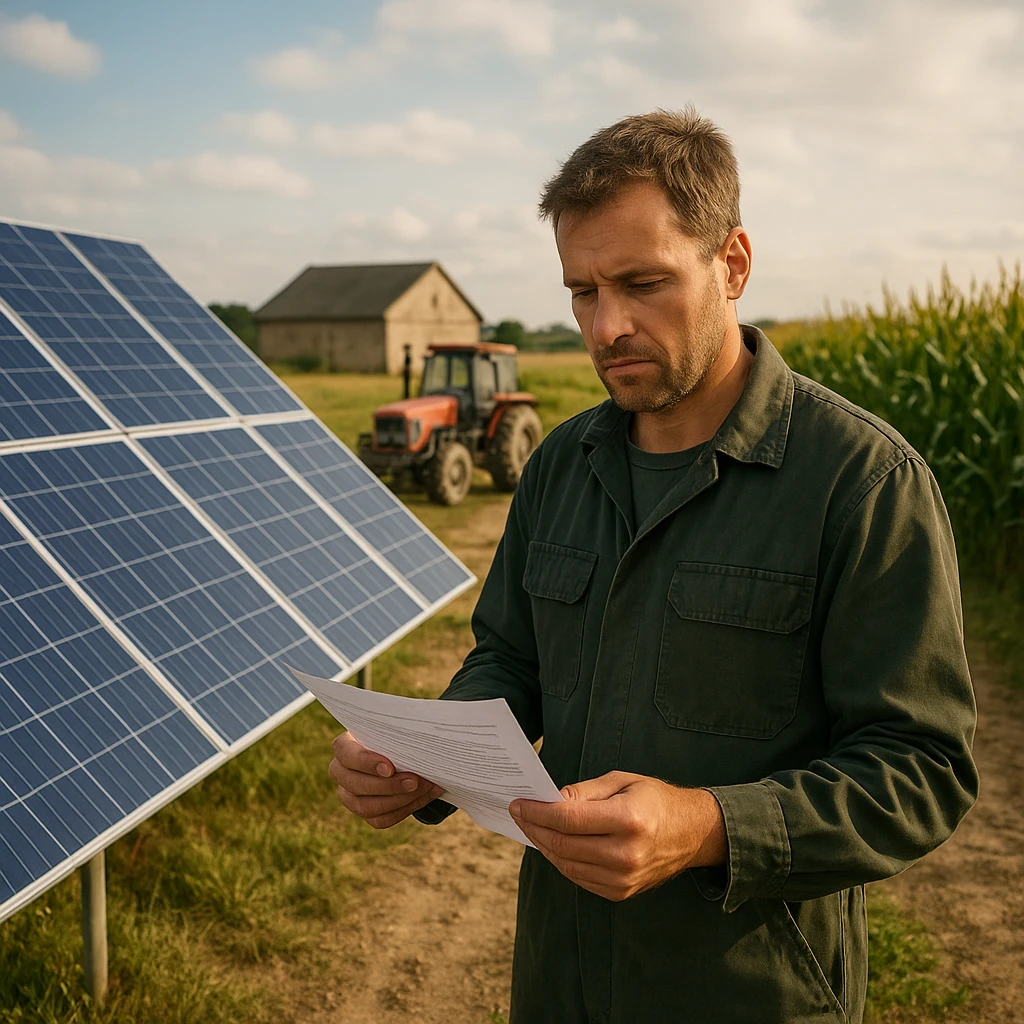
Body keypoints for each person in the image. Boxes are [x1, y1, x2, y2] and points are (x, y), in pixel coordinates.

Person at [329, 108, 979, 1023]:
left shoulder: (862, 482)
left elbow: (920, 769)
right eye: (582, 293)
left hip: (750, 992)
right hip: (560, 979)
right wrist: (426, 757)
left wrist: (708, 827)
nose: (607, 326)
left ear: (734, 263)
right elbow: (511, 662)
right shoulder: (560, 465)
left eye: (642, 283)